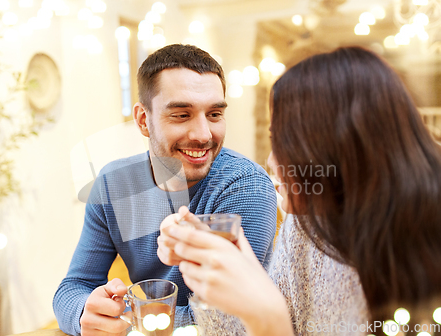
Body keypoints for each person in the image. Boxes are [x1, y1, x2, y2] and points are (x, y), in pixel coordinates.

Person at [160, 46, 441, 336]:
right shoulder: (307, 219)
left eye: (284, 141)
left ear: (336, 147)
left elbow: (273, 322)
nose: (271, 161)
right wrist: (219, 269)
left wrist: (269, 319)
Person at [52, 44, 278, 336]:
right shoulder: (112, 183)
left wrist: (129, 315)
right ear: (143, 120)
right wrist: (86, 312)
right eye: (181, 115)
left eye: (214, 114)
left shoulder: (246, 185)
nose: (203, 135)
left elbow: (227, 317)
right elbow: (73, 288)